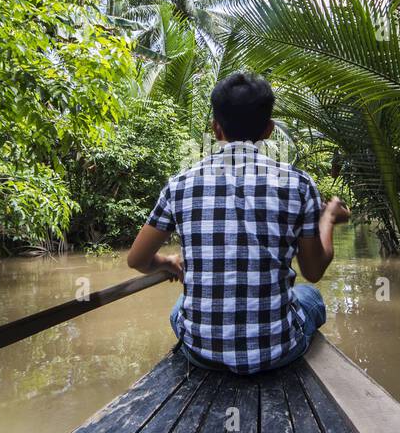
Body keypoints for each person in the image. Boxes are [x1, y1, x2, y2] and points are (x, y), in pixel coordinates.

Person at [126, 71, 350, 374]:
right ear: (269, 130)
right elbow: (313, 271)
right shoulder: (298, 184)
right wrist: (329, 219)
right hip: (278, 351)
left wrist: (167, 261)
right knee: (309, 296)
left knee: (180, 308)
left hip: (201, 352)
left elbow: (137, 259)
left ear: (216, 128)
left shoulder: (179, 184)